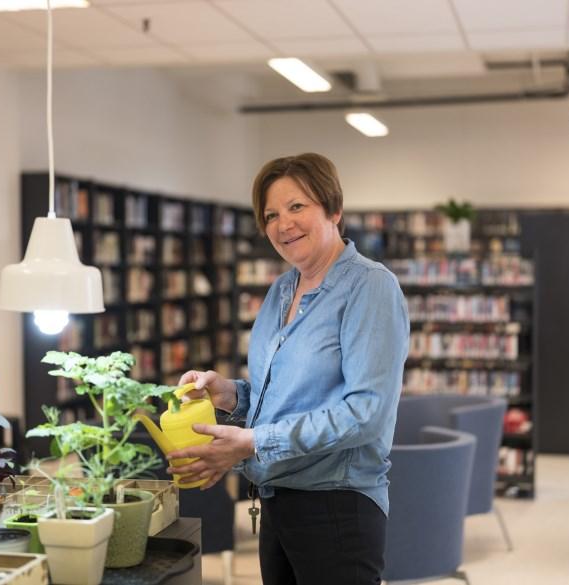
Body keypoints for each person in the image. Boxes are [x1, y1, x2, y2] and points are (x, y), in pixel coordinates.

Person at [167, 152, 409, 585]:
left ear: (333, 209)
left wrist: (254, 442)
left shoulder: (369, 287)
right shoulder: (282, 289)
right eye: (271, 214)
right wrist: (228, 393)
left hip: (336, 508)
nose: (283, 224)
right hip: (277, 500)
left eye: (297, 207)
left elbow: (365, 414)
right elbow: (279, 393)